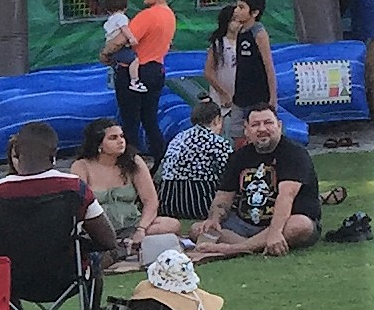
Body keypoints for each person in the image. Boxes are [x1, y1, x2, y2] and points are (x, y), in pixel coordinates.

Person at [0, 120, 118, 260]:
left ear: (16, 153)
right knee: (94, 263)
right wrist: (77, 245)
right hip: (63, 277)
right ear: (54, 155)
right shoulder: (75, 187)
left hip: (11, 277)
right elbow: (107, 240)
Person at [193, 104, 321, 257]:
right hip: (244, 224)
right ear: (246, 130)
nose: (262, 129)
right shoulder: (238, 157)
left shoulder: (294, 154)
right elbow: (223, 196)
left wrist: (275, 232)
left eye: (268, 123)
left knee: (301, 225)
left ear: (279, 126)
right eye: (255, 125)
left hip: (284, 221)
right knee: (197, 229)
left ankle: (234, 249)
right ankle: (254, 246)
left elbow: (286, 196)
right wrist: (213, 219)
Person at [70, 120, 171, 256]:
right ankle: (120, 245)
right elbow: (79, 204)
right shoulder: (82, 166)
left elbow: (150, 200)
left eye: (122, 136)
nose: (120, 141)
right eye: (113, 138)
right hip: (100, 229)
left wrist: (141, 229)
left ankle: (130, 242)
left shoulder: (134, 161)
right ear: (98, 143)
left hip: (133, 225)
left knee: (171, 224)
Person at [110, 0, 177, 158]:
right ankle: (161, 160)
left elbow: (120, 41)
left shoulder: (147, 15)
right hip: (156, 70)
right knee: (150, 120)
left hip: (136, 70)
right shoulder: (170, 16)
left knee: (130, 122)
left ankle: (131, 164)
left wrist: (105, 52)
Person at [155, 98, 234, 231]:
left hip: (169, 201)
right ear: (217, 120)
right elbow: (228, 176)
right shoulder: (218, 143)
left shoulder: (177, 138)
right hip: (200, 203)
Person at [203, 0, 275, 122]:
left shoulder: (258, 33)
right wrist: (225, 93)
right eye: (237, 6)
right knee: (234, 133)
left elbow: (269, 66)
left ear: (254, 13)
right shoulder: (232, 37)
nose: (236, 11)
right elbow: (209, 72)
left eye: (241, 7)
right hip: (239, 97)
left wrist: (273, 98)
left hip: (256, 96)